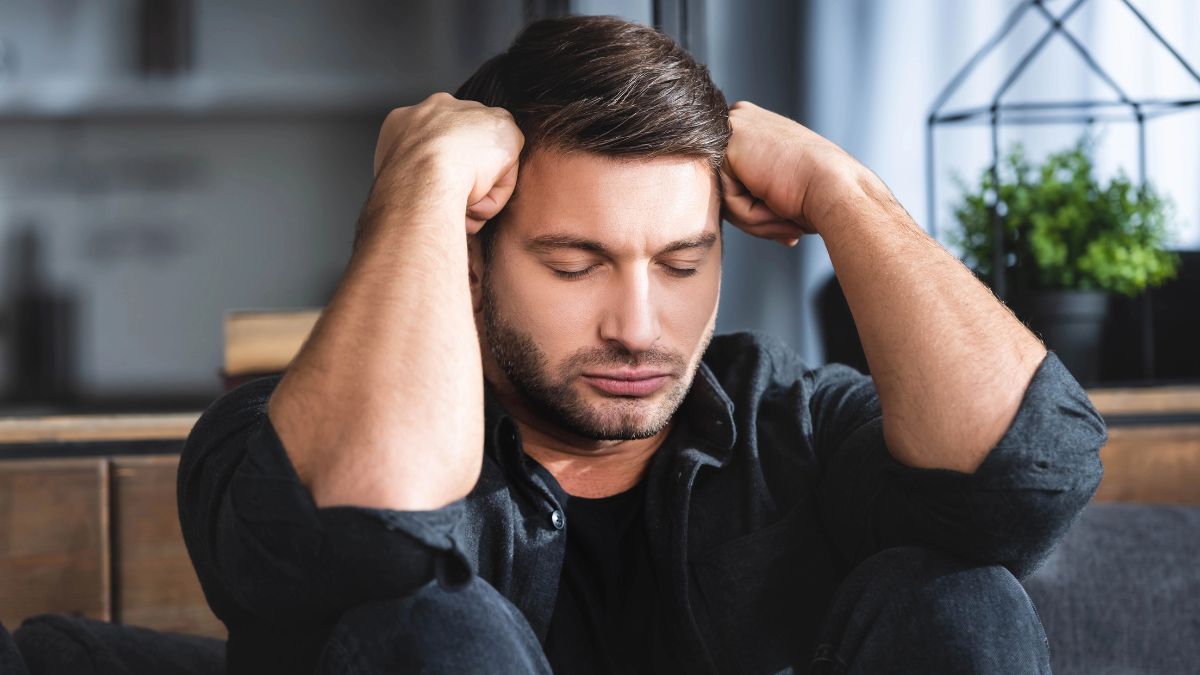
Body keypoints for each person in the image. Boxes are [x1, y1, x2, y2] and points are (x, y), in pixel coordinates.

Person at [178, 14, 1106, 675]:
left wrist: (842, 193)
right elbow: (368, 516)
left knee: (960, 595)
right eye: (575, 265)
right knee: (432, 624)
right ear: (470, 257)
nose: (639, 324)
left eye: (680, 262)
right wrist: (423, 179)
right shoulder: (278, 444)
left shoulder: (789, 422)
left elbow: (1024, 483)